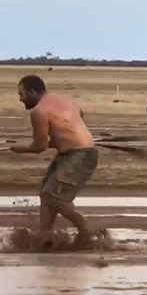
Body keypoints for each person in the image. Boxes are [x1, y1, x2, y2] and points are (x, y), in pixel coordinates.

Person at [10, 75, 100, 248]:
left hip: (79, 155)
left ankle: (87, 229)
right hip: (74, 153)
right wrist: (66, 134)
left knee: (54, 196)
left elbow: (39, 146)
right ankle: (44, 236)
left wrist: (18, 148)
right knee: (46, 192)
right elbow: (78, 113)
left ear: (32, 92)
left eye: (21, 94)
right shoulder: (61, 101)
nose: (20, 99)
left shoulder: (39, 111)